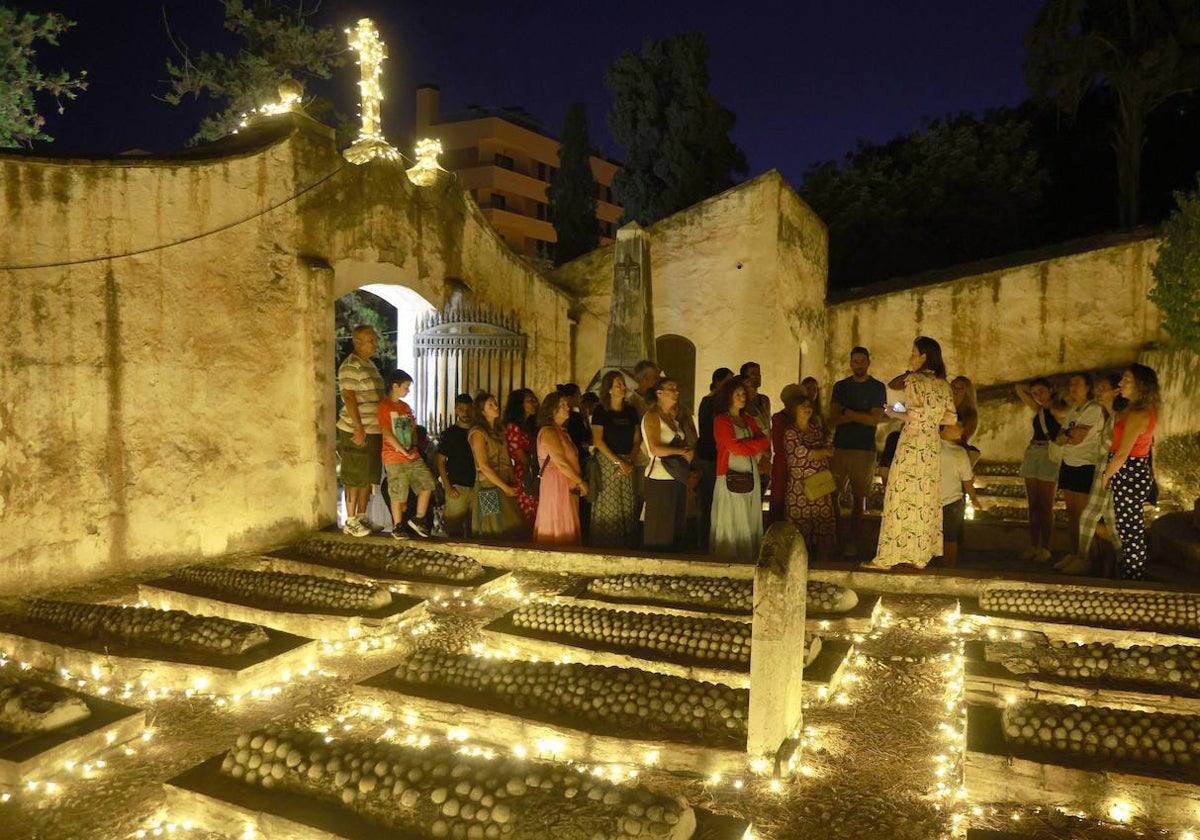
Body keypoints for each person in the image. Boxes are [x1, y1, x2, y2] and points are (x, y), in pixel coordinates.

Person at [862, 337, 956, 570]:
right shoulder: (944, 384)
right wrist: (930, 419)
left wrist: (893, 411)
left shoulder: (915, 379)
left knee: (900, 496)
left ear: (924, 356)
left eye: (914, 353)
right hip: (931, 445)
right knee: (924, 498)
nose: (911, 357)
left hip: (912, 442)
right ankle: (920, 555)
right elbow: (951, 418)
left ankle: (887, 557)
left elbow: (913, 414)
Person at [1101, 364, 1159, 581]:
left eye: (1126, 380)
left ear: (1140, 386)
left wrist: (1105, 476)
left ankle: (1134, 575)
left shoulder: (1139, 414)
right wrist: (1109, 400)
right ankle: (1131, 571)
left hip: (1129, 471)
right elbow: (1117, 421)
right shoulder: (1132, 409)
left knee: (1130, 528)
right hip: (1129, 471)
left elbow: (1122, 453)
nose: (1120, 384)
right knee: (1126, 526)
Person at [829, 347, 887, 559]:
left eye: (862, 361)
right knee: (831, 494)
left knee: (859, 497)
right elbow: (833, 419)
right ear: (851, 363)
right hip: (840, 447)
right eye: (855, 361)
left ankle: (853, 539)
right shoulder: (841, 387)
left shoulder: (877, 388)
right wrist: (860, 415)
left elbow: (875, 420)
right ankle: (835, 536)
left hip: (864, 450)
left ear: (868, 362)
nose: (859, 364)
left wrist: (848, 413)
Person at [1062, 373, 1122, 576]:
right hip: (1100, 470)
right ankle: (1096, 560)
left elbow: (1077, 437)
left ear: (1116, 391)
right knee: (1096, 519)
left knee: (1099, 520)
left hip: (1106, 472)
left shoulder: (1114, 415)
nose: (1099, 391)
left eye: (1103, 387)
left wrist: (1109, 474)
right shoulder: (1107, 415)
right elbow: (1063, 436)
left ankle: (1102, 561)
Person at [710, 377, 771, 562]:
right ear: (728, 396)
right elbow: (733, 447)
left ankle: (747, 554)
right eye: (737, 394)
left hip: (750, 472)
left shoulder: (747, 419)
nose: (742, 397)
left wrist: (746, 445)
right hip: (730, 472)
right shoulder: (721, 420)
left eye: (743, 394)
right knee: (732, 514)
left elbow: (764, 440)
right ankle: (728, 555)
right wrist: (753, 446)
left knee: (748, 513)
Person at [336, 325, 386, 537]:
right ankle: (350, 519)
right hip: (356, 429)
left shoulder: (370, 365)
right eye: (371, 340)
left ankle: (363, 516)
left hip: (373, 429)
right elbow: (349, 397)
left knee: (368, 475)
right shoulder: (350, 366)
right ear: (357, 342)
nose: (375, 344)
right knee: (354, 474)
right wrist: (358, 426)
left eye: (375, 340)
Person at [1053, 373, 1105, 569]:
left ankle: (1086, 557)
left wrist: (1067, 435)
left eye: (1077, 383)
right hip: (1068, 463)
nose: (1072, 387)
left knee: (1084, 516)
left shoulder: (1094, 409)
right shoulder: (1074, 410)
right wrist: (1068, 435)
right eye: (1070, 383)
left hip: (1085, 465)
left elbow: (1077, 438)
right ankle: (1073, 553)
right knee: (1072, 513)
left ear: (1088, 387)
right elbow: (1059, 438)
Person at [376, 371, 436, 539]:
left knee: (427, 483)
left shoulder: (405, 407)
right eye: (406, 387)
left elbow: (413, 429)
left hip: (411, 454)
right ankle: (398, 525)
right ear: (394, 386)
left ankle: (418, 518)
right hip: (394, 457)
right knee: (398, 491)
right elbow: (387, 432)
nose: (408, 391)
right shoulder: (384, 407)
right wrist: (403, 451)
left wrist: (414, 447)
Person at [589, 371, 642, 548]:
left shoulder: (631, 411)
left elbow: (637, 440)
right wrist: (618, 462)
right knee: (609, 503)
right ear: (609, 390)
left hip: (627, 460)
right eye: (618, 384)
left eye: (623, 384)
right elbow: (598, 440)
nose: (623, 387)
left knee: (627, 502)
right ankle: (606, 544)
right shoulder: (601, 411)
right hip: (608, 461)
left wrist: (629, 461)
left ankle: (626, 544)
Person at [1015, 377, 1065, 563]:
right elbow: (1019, 388)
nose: (1038, 396)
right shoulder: (1040, 409)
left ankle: (1045, 546)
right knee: (1033, 504)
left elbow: (1065, 420)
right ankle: (1033, 544)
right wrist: (1036, 392)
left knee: (1046, 504)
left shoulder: (1059, 409)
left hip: (1048, 453)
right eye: (1035, 393)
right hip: (1032, 452)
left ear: (1051, 389)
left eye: (1041, 391)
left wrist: (1052, 401)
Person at [783, 393, 836, 562]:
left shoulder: (816, 430)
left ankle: (823, 564)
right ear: (794, 410)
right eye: (802, 406)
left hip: (821, 486)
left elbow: (826, 449)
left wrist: (821, 452)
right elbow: (801, 455)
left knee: (824, 526)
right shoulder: (790, 432)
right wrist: (822, 452)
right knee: (800, 529)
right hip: (801, 488)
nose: (807, 409)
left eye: (809, 405)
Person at [641, 377, 693, 550]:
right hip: (659, 477)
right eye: (671, 389)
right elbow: (654, 448)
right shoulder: (652, 416)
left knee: (675, 525)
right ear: (659, 393)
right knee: (660, 527)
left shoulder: (673, 419)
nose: (676, 393)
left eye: (677, 389)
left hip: (676, 477)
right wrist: (680, 452)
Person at [534, 392, 587, 545]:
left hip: (566, 482)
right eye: (562, 405)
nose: (567, 407)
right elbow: (561, 463)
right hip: (556, 483)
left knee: (567, 516)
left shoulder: (562, 432)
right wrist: (580, 481)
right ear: (552, 410)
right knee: (558, 517)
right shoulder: (549, 432)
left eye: (566, 404)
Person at [695, 368, 734, 552]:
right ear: (718, 383)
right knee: (708, 500)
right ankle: (704, 542)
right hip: (709, 457)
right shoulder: (710, 403)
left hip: (717, 457)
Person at [938, 422, 983, 569]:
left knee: (950, 537)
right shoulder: (930, 447)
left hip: (953, 501)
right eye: (957, 425)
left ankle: (949, 567)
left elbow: (967, 479)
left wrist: (973, 498)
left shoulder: (960, 452)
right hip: (933, 500)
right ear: (944, 427)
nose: (962, 428)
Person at [436, 393, 477, 538]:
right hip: (457, 486)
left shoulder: (478, 431)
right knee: (454, 529)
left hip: (478, 484)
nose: (465, 413)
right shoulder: (449, 433)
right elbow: (440, 462)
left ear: (473, 409)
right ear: (455, 409)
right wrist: (447, 486)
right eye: (461, 409)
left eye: (468, 409)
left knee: (477, 529)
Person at [503, 388, 540, 530]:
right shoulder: (513, 427)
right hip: (523, 475)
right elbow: (520, 455)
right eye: (530, 401)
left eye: (534, 400)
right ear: (519, 405)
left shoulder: (530, 426)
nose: (535, 403)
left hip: (532, 472)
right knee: (526, 513)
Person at [768, 383, 805, 525]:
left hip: (801, 465)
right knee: (779, 500)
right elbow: (780, 444)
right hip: (784, 464)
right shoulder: (779, 418)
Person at [951, 375, 981, 464]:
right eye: (954, 387)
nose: (956, 390)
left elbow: (963, 437)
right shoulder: (944, 407)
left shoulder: (970, 414)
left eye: (961, 388)